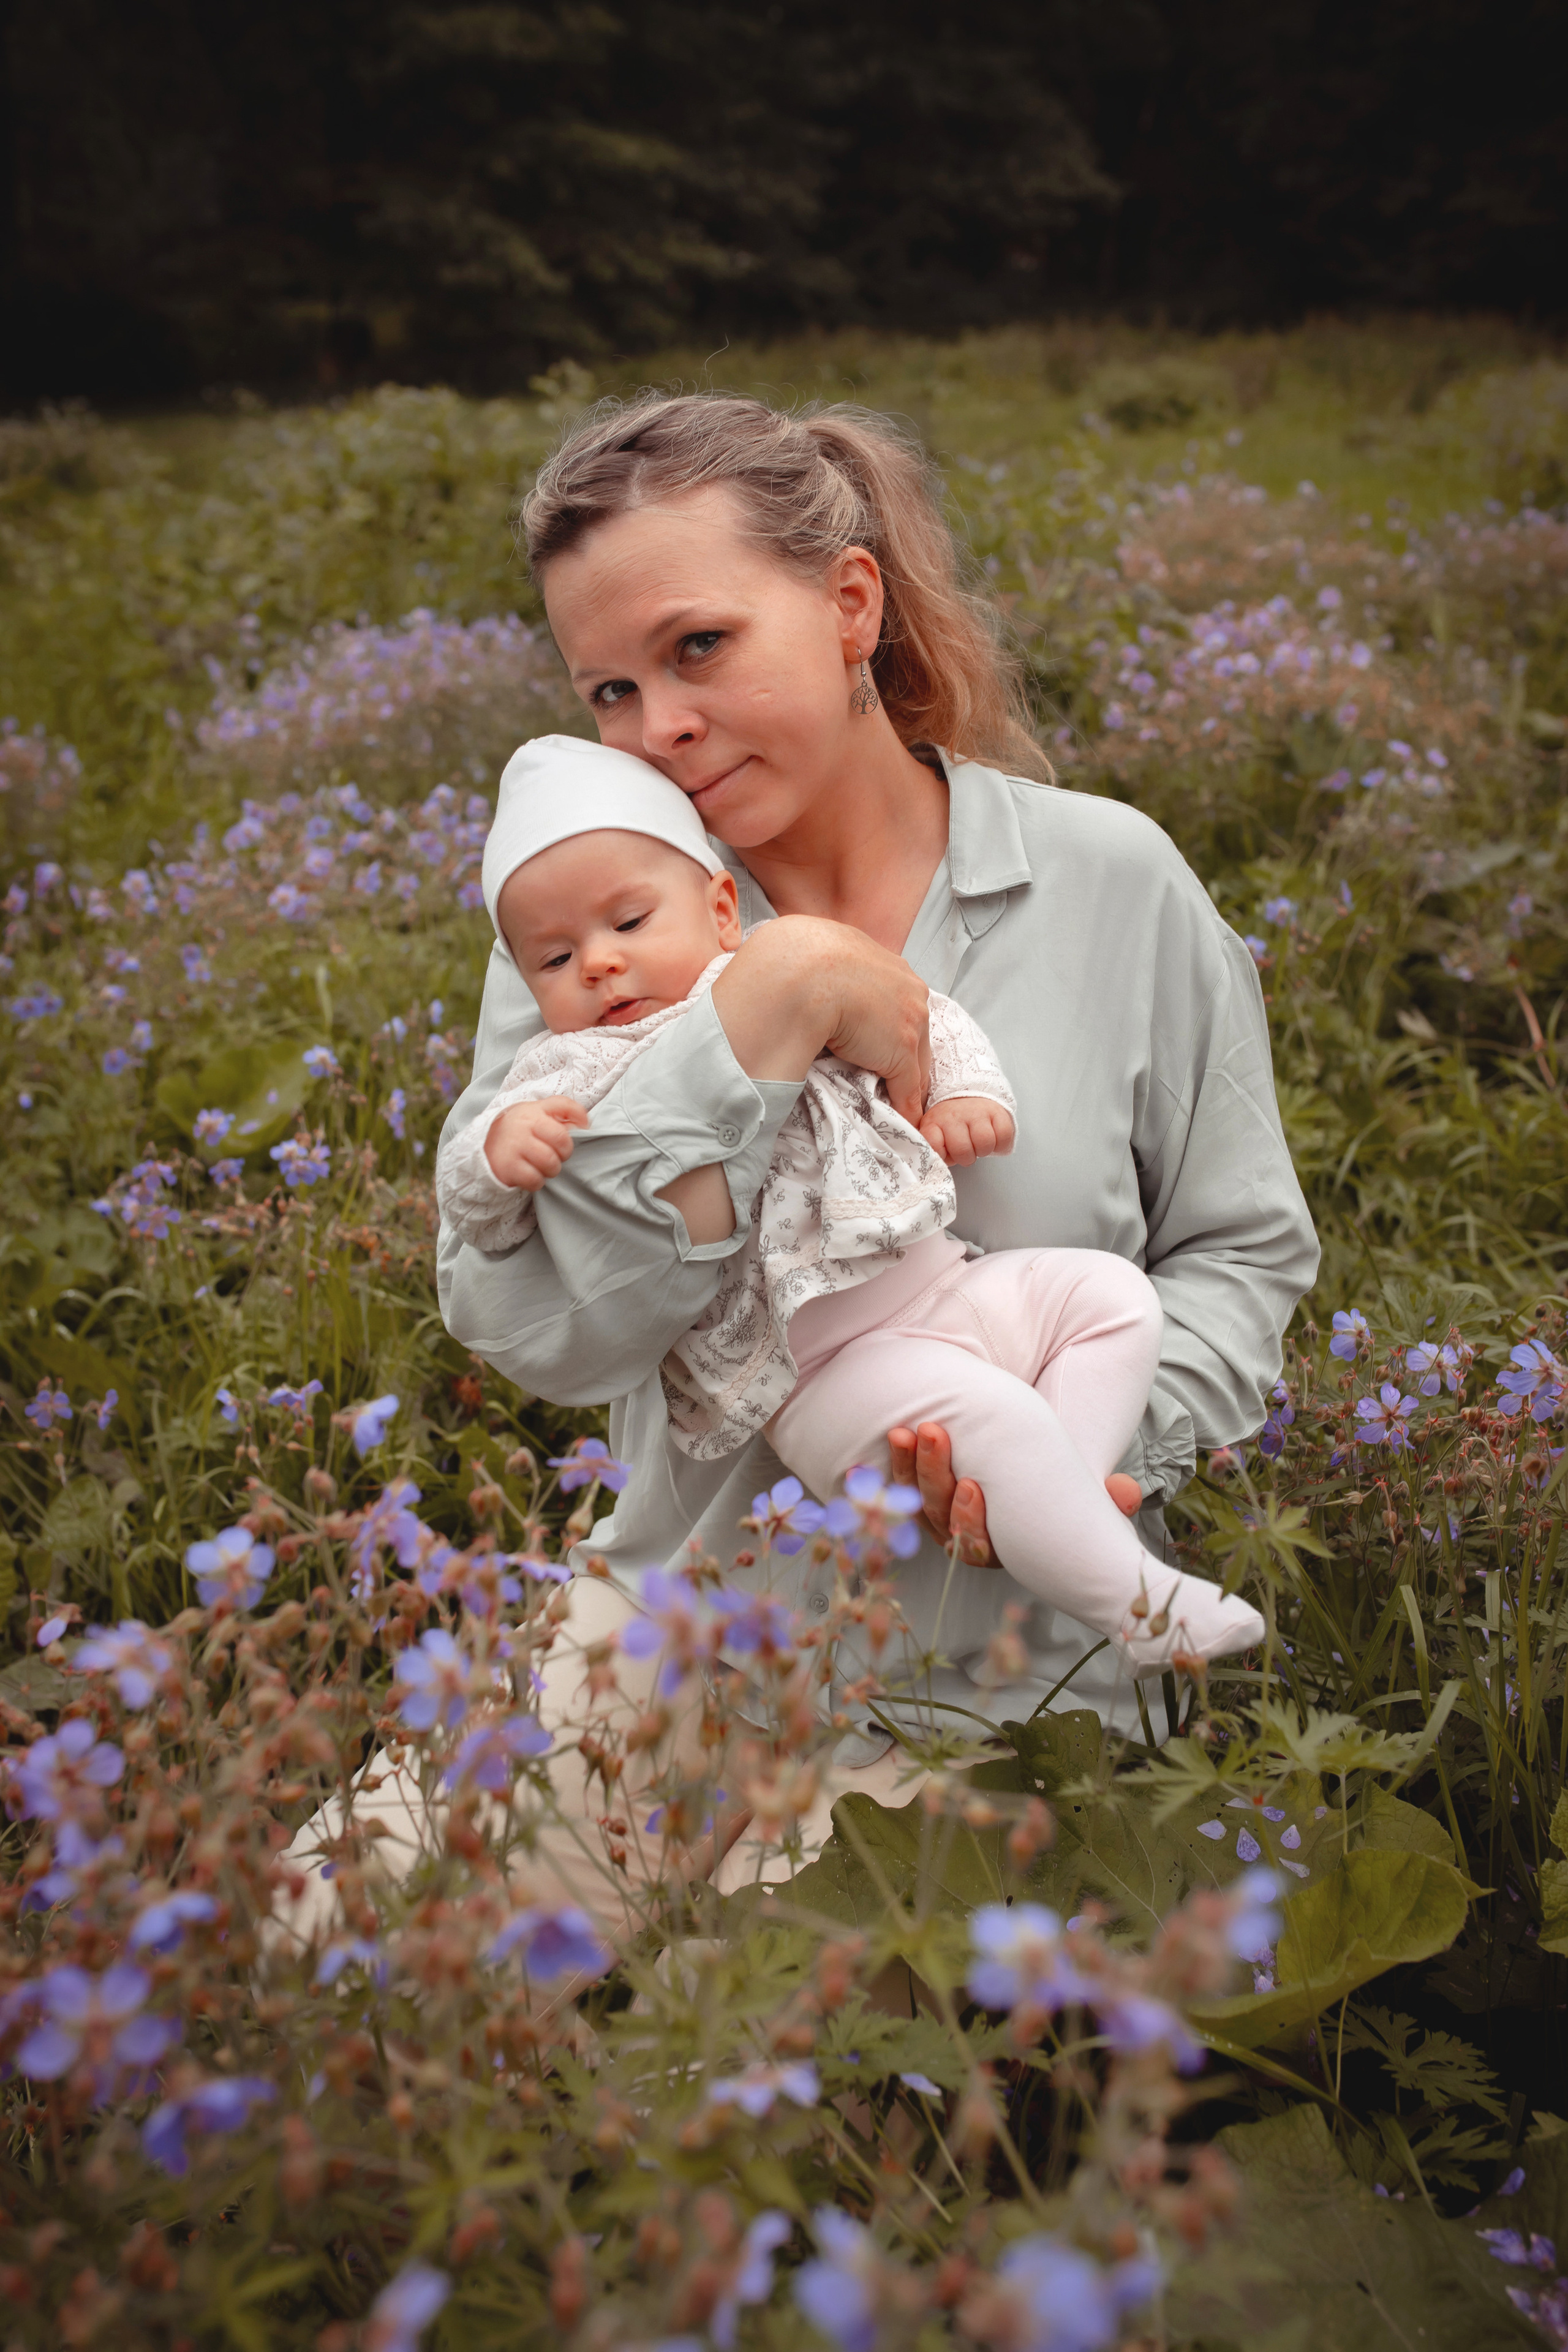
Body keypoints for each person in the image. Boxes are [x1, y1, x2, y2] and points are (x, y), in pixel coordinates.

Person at [434, 389, 1319, 1895]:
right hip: (673, 1671)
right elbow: (528, 1328)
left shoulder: (1111, 878)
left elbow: (1238, 1249)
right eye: (607, 693)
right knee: (330, 2009)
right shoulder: (603, 938)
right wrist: (755, 1024)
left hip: (1018, 1707)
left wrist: (1077, 1456)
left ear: (850, 607)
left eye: (696, 648)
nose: (660, 731)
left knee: (814, 2103)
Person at [436, 734, 1267, 1676]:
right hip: (821, 1369)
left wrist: (962, 1093)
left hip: (946, 1288)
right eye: (553, 958)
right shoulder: (571, 1057)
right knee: (988, 1416)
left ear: (718, 912)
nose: (595, 965)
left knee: (1113, 1299)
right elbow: (481, 1229)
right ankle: (1140, 1608)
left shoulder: (1100, 881)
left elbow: (930, 1020)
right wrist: (501, 1159)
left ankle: (1065, 1515)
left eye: (627, 924)